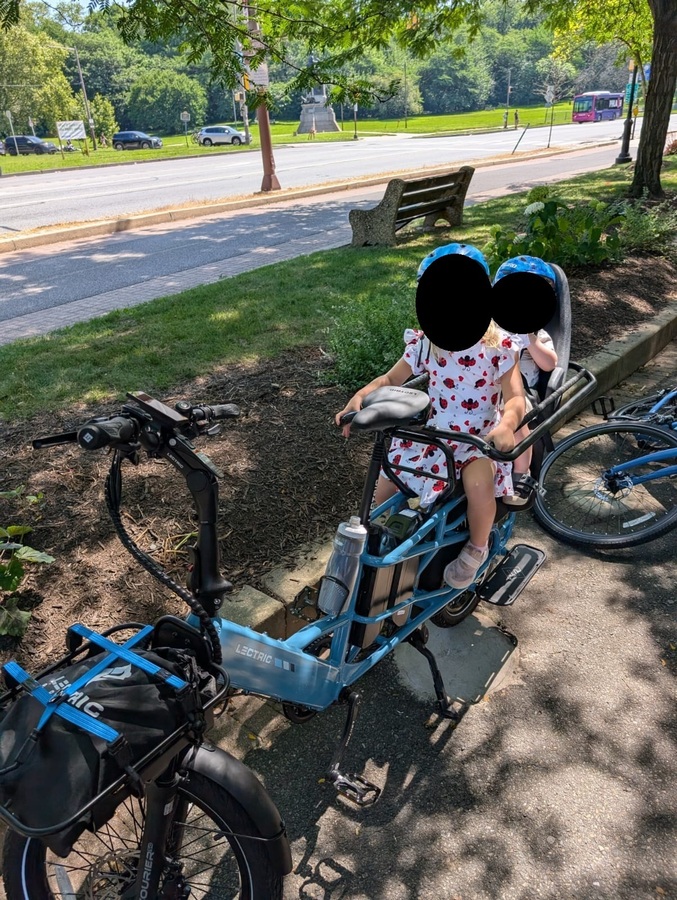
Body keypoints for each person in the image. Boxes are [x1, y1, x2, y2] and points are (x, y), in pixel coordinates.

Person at [335, 243, 526, 591]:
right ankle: (387, 531)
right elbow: (392, 379)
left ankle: (476, 548)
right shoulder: (427, 343)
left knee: (479, 483)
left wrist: (506, 425)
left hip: (476, 440)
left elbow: (515, 396)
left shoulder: (498, 346)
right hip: (434, 437)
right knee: (389, 471)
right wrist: (361, 397)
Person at [493, 256, 559, 508]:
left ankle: (521, 472)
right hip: (486, 386)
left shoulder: (537, 333)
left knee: (519, 419)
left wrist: (529, 338)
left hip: (521, 392)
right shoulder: (491, 326)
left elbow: (550, 364)